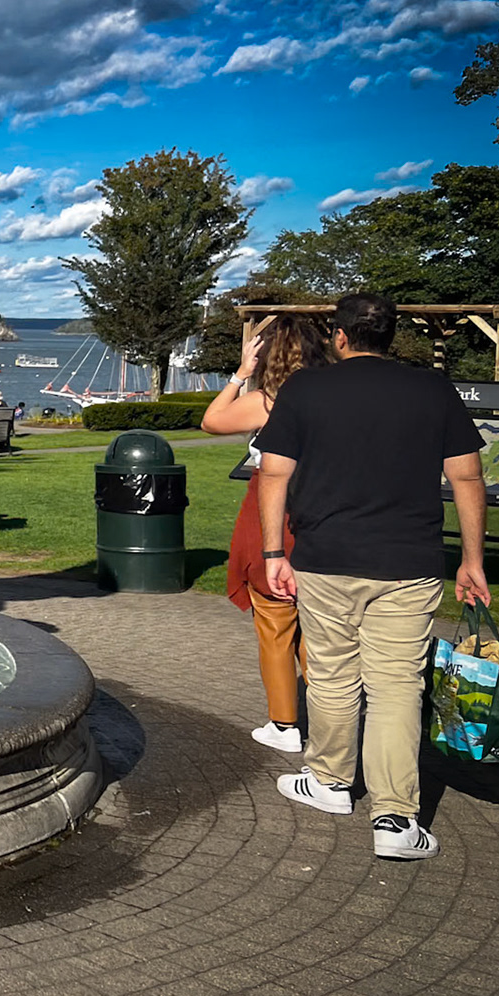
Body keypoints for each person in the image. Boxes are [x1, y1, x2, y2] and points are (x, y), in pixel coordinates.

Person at [255, 293, 491, 862]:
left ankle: (332, 784)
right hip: (407, 564)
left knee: (333, 678)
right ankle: (395, 819)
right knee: (396, 688)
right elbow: (468, 476)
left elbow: (273, 473)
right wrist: (472, 560)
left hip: (324, 559)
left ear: (340, 336)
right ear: (391, 336)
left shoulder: (305, 389)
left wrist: (271, 554)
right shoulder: (433, 389)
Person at [201, 313, 335, 753]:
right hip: (326, 515)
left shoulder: (267, 401)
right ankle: (334, 722)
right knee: (318, 628)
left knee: (276, 623)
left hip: (273, 513)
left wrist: (241, 372)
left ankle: (284, 723)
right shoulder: (334, 398)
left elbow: (212, 420)